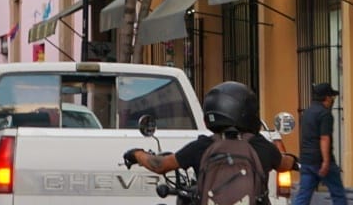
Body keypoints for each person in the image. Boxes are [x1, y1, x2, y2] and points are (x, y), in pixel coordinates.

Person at [123, 81, 294, 192]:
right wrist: (294, 160)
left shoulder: (202, 146)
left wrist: (136, 154)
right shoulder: (260, 146)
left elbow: (159, 165)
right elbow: (284, 163)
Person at [291, 82, 350, 205]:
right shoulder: (325, 114)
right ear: (327, 98)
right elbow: (324, 138)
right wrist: (326, 161)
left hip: (306, 160)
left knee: (303, 196)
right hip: (320, 159)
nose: (333, 100)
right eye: (332, 97)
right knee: (338, 194)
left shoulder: (307, 112)